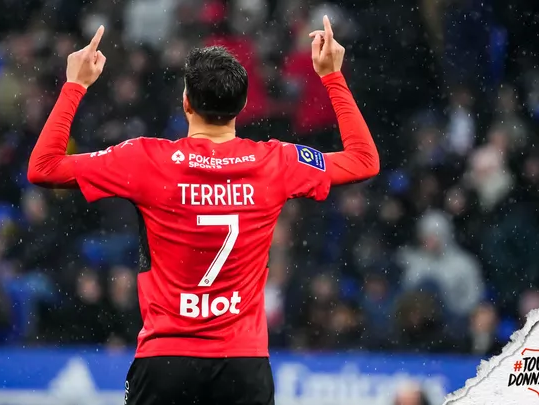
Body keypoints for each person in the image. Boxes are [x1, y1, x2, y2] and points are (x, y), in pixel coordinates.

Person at [28, 16, 378, 405]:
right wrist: (332, 76)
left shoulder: (145, 159)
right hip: (242, 366)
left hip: (166, 362)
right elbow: (364, 160)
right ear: (241, 107)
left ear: (186, 103)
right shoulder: (275, 162)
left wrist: (75, 85)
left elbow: (44, 168)